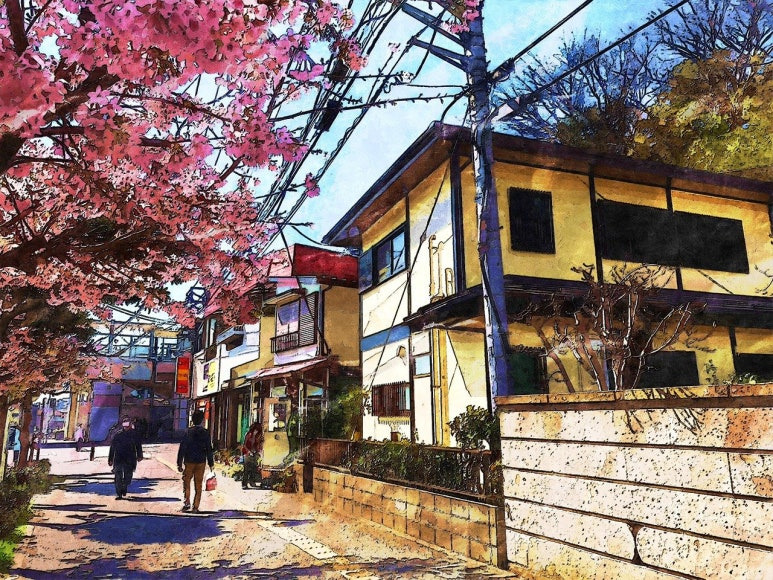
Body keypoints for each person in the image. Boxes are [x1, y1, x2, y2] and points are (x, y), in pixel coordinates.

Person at [177, 410, 214, 513]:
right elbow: (209, 449)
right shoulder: (205, 432)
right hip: (201, 461)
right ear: (202, 420)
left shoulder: (188, 432)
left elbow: (182, 448)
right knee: (198, 484)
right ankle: (196, 506)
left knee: (186, 482)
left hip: (189, 461)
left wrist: (179, 463)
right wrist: (211, 463)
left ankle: (187, 502)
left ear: (192, 420)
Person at [108, 416, 143, 500]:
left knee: (128, 476)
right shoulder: (118, 435)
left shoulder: (134, 434)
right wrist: (110, 459)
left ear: (130, 425)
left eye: (128, 424)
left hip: (130, 458)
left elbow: (138, 446)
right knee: (118, 476)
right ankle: (119, 493)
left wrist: (140, 456)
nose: (126, 426)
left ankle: (125, 486)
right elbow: (112, 447)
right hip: (119, 458)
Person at [240, 422, 263, 489]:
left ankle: (252, 482)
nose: (256, 432)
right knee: (247, 469)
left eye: (257, 431)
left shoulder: (258, 436)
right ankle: (244, 484)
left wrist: (258, 451)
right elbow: (244, 445)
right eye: (255, 430)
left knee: (254, 468)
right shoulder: (249, 434)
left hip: (254, 453)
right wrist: (249, 451)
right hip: (247, 453)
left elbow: (258, 445)